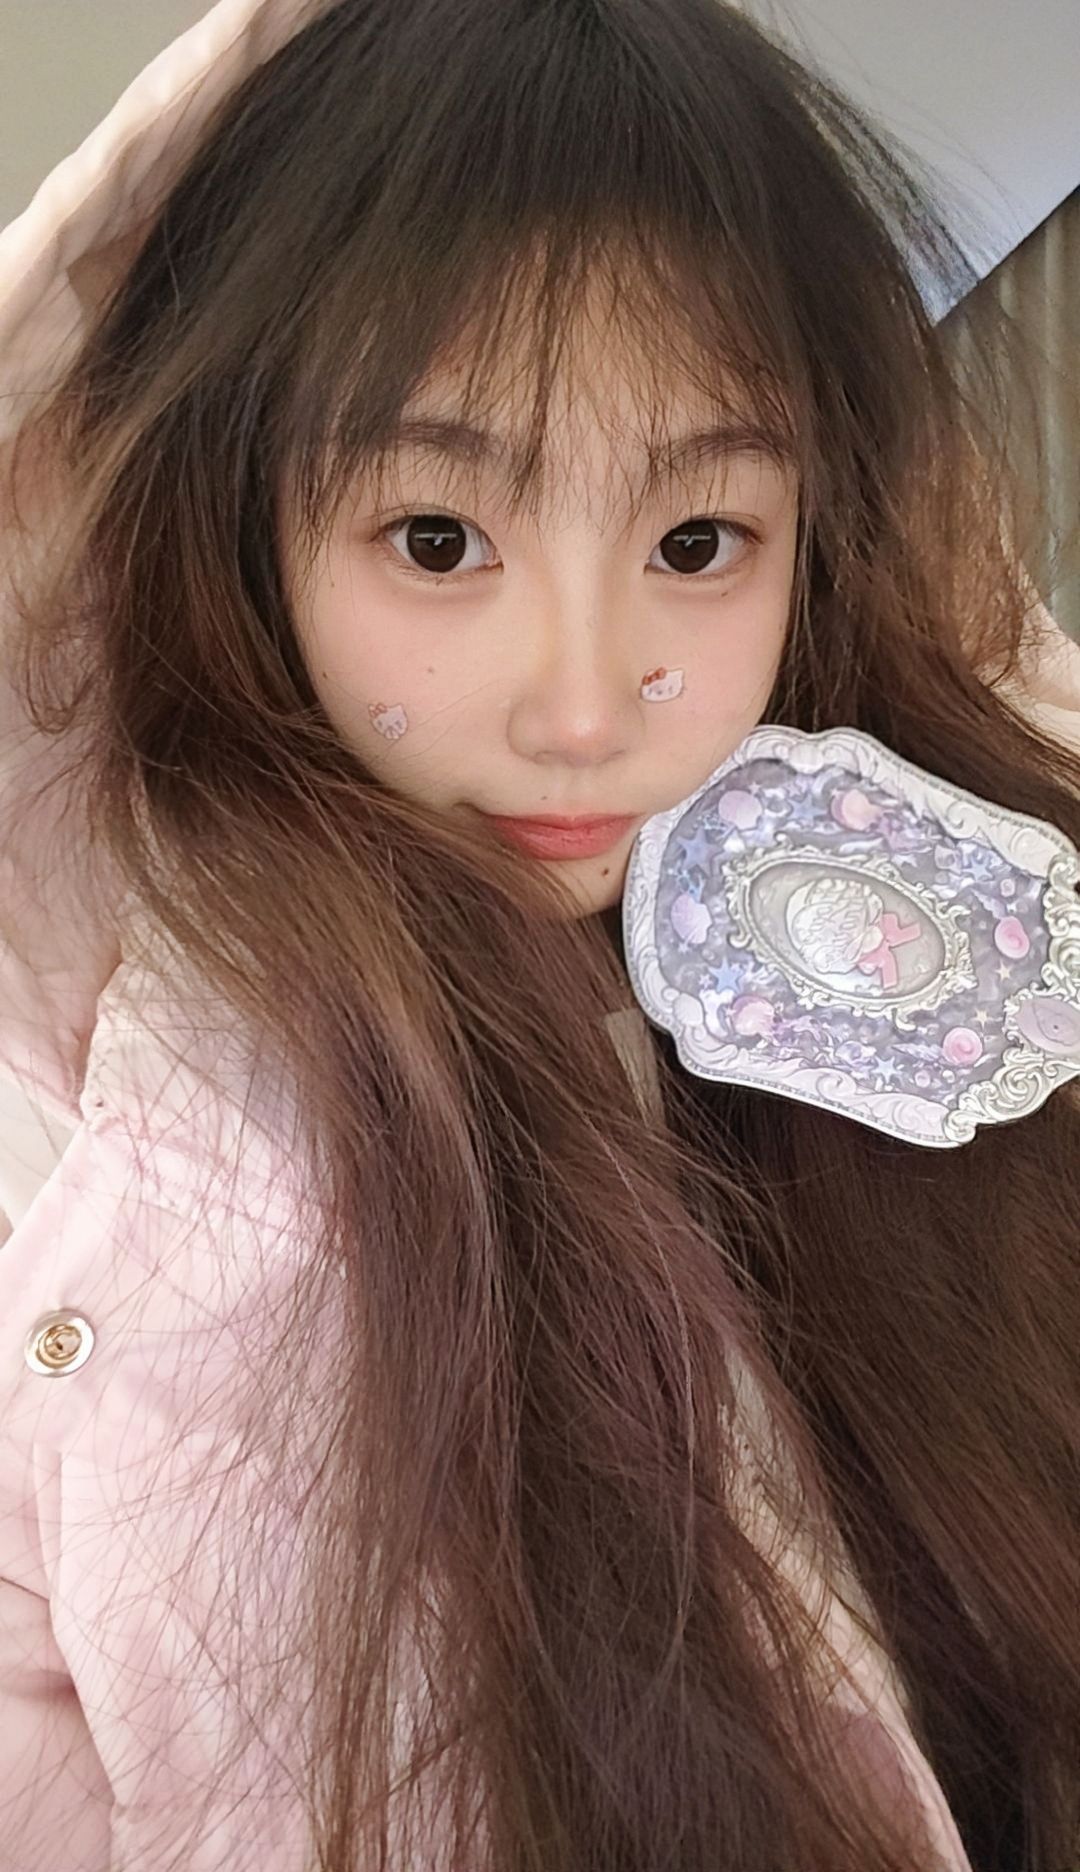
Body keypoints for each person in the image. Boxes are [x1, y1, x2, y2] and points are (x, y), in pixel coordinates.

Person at [0, 1, 1077, 1867]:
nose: (586, 712)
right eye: (438, 540)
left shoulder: (927, 919)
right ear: (243, 520)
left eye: (696, 542)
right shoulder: (77, 1100)